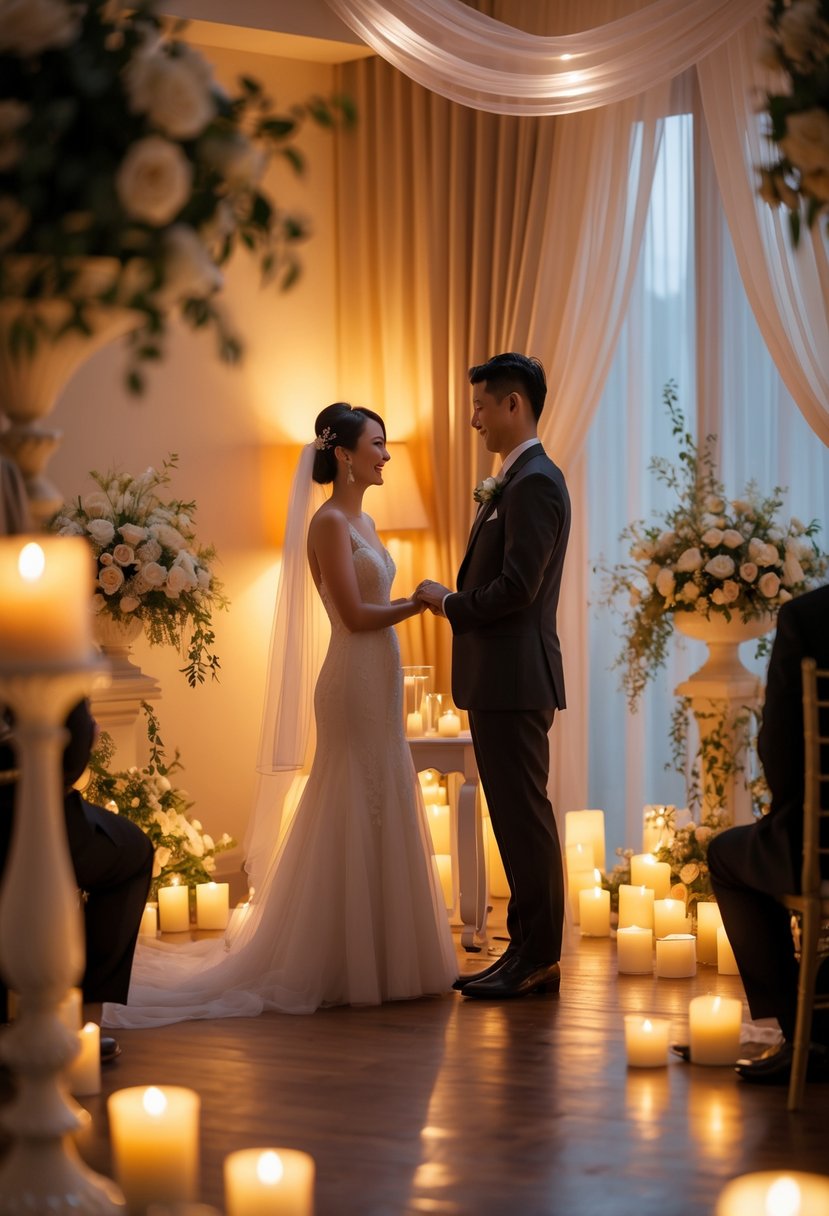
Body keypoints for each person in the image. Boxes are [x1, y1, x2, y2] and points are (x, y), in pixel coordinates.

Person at [104, 403, 456, 1026]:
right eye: (377, 444)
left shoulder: (367, 521)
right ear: (343, 454)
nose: (386, 455)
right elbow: (353, 615)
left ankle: (384, 956)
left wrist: (408, 604)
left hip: (379, 677)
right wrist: (418, 603)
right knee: (352, 795)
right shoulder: (329, 523)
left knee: (384, 790)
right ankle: (340, 960)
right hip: (351, 678)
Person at [416, 353, 571, 999]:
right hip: (501, 678)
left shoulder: (534, 482)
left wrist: (448, 602)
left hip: (514, 679)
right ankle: (524, 953)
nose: (474, 419)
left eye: (480, 406)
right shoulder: (515, 479)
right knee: (513, 818)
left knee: (524, 819)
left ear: (514, 404)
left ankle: (536, 958)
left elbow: (517, 588)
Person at [701, 583, 829, 1084]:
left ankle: (803, 1037)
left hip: (821, 846)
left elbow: (781, 747)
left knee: (725, 855)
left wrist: (784, 814)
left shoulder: (810, 616)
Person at [0, 700, 154, 1039]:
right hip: (29, 811)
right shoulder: (44, 666)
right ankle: (85, 1017)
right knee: (133, 853)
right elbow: (70, 762)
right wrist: (86, 736)